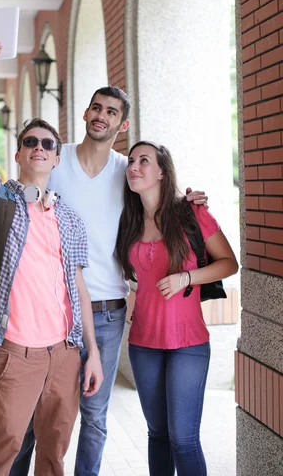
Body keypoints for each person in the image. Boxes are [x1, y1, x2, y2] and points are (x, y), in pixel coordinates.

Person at [11, 86, 208, 476]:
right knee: (35, 416)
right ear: (85, 114)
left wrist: (188, 202)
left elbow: (157, 198)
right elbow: (21, 192)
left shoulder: (127, 170)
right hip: (54, 311)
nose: (103, 116)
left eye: (112, 112)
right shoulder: (56, 156)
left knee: (95, 418)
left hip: (109, 312)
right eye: (97, 108)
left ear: (123, 123)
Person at [0, 39, 103, 476]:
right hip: (15, 353)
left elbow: (78, 287)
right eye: (30, 141)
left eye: (47, 143)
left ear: (56, 157)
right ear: (20, 153)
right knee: (0, 454)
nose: (39, 147)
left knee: (53, 459)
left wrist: (92, 352)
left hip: (65, 354)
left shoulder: (69, 218)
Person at [115, 141, 238, 476]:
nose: (134, 167)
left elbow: (229, 263)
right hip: (142, 343)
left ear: (161, 172)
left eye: (144, 160)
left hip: (188, 343)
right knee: (158, 435)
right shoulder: (127, 221)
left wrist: (187, 277)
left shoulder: (191, 213)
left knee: (183, 438)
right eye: (131, 161)